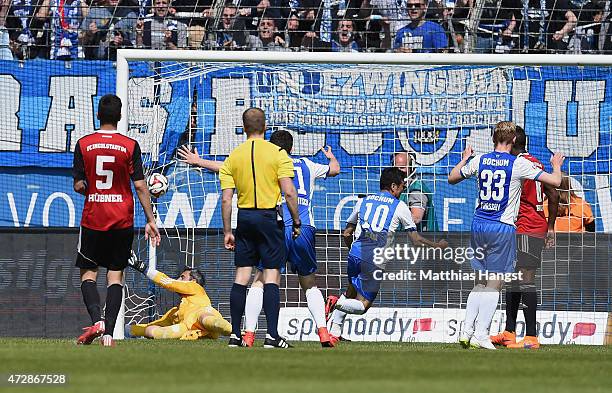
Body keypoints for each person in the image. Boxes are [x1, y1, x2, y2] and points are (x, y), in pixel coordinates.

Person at [448, 121, 564, 350]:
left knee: (479, 282)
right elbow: (556, 183)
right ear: (512, 141)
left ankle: (466, 330)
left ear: (493, 139)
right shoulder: (519, 163)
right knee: (496, 282)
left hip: (478, 224)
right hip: (502, 227)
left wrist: (465, 158)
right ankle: (482, 334)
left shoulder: (480, 159)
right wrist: (556, 165)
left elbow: (452, 178)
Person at [72, 94, 160, 347]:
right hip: (122, 219)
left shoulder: (84, 143)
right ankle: (109, 333)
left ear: (97, 115)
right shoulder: (130, 145)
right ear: (120, 117)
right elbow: (141, 186)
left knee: (88, 275)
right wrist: (150, 219)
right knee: (115, 277)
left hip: (93, 218)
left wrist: (87, 186)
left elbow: (79, 184)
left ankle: (96, 319)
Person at [241, 130, 340, 348]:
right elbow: (335, 169)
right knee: (309, 283)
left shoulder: (267, 163)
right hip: (304, 227)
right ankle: (323, 332)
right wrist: (331, 156)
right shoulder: (307, 164)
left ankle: (248, 334)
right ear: (292, 148)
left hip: (276, 226)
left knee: (259, 281)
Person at [326, 167, 447, 341]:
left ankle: (334, 332)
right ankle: (334, 302)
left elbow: (346, 233)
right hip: (374, 258)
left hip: (355, 252)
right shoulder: (400, 206)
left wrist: (352, 250)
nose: (403, 189)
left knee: (351, 290)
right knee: (363, 305)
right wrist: (436, 245)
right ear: (393, 186)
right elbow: (415, 239)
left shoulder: (363, 201)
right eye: (402, 186)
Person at [219, 108, 301, 348]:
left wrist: (227, 231)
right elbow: (288, 192)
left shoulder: (233, 156)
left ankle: (235, 335)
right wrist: (296, 221)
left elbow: (226, 199)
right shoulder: (277, 154)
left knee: (242, 277)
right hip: (268, 218)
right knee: (272, 275)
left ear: (244, 128)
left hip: (244, 217)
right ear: (265, 127)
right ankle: (272, 336)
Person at [490, 126, 559, 350]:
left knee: (526, 278)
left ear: (512, 141)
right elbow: (553, 195)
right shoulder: (535, 162)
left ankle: (531, 336)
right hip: (527, 226)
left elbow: (554, 192)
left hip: (527, 226)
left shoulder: (518, 164)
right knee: (514, 279)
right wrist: (549, 226)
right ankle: (509, 332)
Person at [126, 259, 232, 340]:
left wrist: (143, 268)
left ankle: (234, 332)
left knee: (204, 318)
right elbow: (157, 323)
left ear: (193, 281)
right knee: (151, 331)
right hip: (187, 329)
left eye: (182, 277)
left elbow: (169, 282)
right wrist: (128, 329)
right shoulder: (175, 312)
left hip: (206, 320)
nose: (178, 280)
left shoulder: (196, 288)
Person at [393, 151, 438, 231]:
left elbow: (416, 218)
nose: (398, 171)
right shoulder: (402, 187)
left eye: (402, 167)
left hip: (421, 240)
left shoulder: (416, 190)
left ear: (411, 167)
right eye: (396, 168)